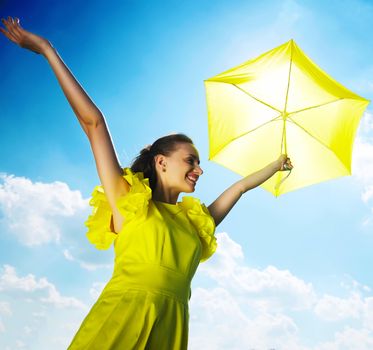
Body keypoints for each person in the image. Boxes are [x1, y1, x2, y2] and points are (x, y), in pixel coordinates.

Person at [0, 17, 293, 350]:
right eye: (191, 160)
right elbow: (94, 123)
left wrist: (275, 164)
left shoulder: (195, 223)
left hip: (171, 328)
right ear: (161, 161)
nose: (199, 169)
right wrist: (46, 50)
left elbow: (238, 188)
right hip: (121, 321)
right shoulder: (128, 200)